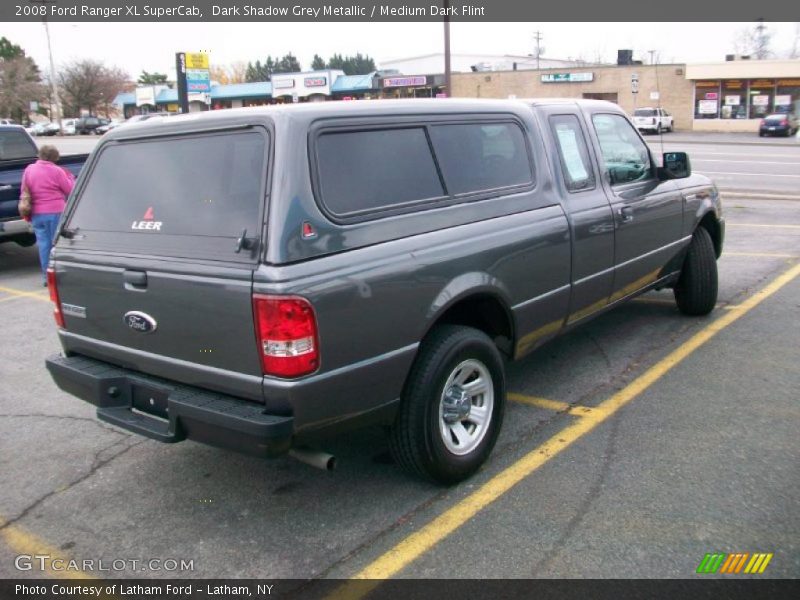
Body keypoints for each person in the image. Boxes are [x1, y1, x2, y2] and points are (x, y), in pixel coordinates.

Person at [20, 145, 75, 286]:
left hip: (37, 213)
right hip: (55, 211)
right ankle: (57, 275)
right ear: (54, 157)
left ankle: (46, 277)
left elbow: (24, 190)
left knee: (43, 245)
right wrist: (70, 177)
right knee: (56, 244)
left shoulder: (29, 169)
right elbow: (70, 189)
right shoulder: (57, 171)